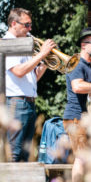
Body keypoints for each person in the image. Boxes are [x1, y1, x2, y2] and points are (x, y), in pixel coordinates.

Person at [4, 8, 55, 162]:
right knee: (14, 153)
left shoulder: (23, 44)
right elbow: (19, 71)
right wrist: (42, 54)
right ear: (14, 24)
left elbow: (33, 78)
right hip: (16, 104)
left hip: (28, 103)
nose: (30, 29)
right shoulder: (8, 43)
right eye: (27, 25)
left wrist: (46, 63)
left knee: (25, 155)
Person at [62, 27, 91, 182]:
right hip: (75, 117)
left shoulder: (89, 65)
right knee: (81, 158)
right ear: (84, 45)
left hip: (83, 116)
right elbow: (77, 87)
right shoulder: (77, 63)